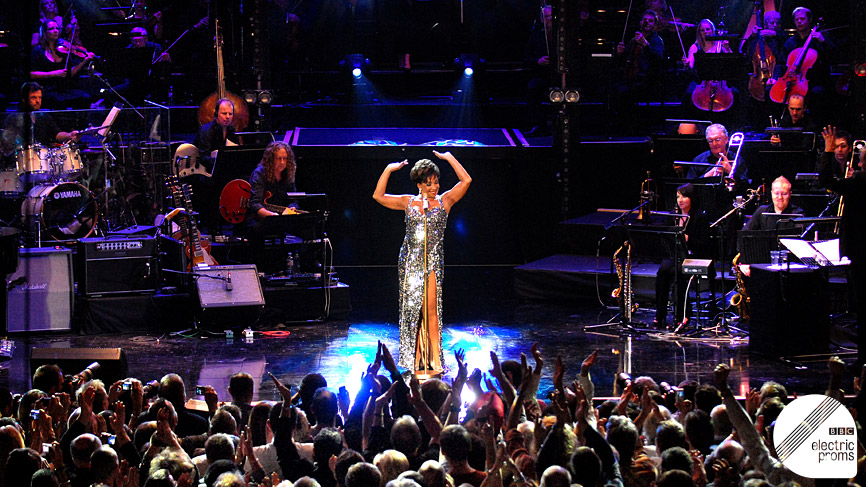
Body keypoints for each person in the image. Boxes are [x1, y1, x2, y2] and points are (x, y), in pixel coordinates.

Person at [373, 151, 471, 371]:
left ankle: (435, 360)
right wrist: (389, 169)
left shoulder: (445, 201)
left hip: (434, 262)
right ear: (418, 184)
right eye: (428, 184)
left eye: (436, 182)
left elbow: (467, 180)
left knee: (432, 310)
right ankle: (412, 359)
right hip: (409, 262)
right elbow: (378, 196)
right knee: (411, 310)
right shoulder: (408, 202)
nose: (433, 187)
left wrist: (449, 158)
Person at [819, 126, 866, 369]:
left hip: (859, 250)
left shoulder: (860, 180)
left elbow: (827, 181)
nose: (857, 163)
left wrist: (827, 150)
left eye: (860, 159)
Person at [654, 183, 713, 329]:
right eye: (678, 196)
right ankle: (660, 314)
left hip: (694, 256)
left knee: (678, 273)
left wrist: (688, 239)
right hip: (675, 255)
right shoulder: (673, 216)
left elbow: (705, 245)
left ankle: (683, 315)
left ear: (692, 198)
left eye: (684, 196)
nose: (680, 200)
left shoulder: (700, 217)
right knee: (662, 272)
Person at [768, 7, 836, 120]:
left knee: (817, 93)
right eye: (796, 19)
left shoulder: (818, 39)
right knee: (770, 92)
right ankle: (780, 124)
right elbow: (781, 63)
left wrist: (823, 41)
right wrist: (775, 78)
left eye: (802, 19)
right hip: (793, 80)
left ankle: (815, 126)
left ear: (809, 20)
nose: (799, 21)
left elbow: (834, 56)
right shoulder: (790, 43)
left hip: (815, 81)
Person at [612, 10, 664, 133]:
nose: (647, 23)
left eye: (650, 21)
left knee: (623, 93)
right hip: (632, 77)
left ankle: (629, 125)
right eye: (645, 20)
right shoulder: (633, 40)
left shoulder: (657, 41)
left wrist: (646, 45)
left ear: (655, 24)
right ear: (640, 22)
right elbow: (624, 60)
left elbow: (658, 61)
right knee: (609, 89)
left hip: (648, 79)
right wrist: (619, 53)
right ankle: (620, 121)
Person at [1, 82, 80, 156]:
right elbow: (8, 141)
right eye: (33, 98)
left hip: (42, 160)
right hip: (21, 159)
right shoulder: (13, 118)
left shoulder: (43, 116)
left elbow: (56, 133)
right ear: (24, 99)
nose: (38, 101)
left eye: (40, 98)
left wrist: (69, 135)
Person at [29, 19, 94, 109]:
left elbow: (70, 73)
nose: (55, 31)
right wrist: (53, 74)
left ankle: (78, 122)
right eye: (51, 28)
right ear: (44, 32)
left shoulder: (64, 50)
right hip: (47, 89)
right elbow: (31, 74)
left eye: (57, 28)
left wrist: (84, 61)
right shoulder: (38, 51)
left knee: (86, 97)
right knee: (58, 101)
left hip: (64, 89)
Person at [524, 5, 554, 136]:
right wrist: (538, 61)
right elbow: (527, 58)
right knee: (533, 87)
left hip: (560, 75)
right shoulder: (536, 35)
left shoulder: (563, 36)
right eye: (547, 17)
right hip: (542, 75)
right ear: (542, 19)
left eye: (552, 17)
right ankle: (538, 124)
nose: (549, 20)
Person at [249, 141, 299, 220]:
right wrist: (271, 215)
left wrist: (292, 207)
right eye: (279, 158)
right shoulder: (259, 174)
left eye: (285, 159)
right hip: (261, 218)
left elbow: (293, 199)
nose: (282, 162)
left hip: (281, 217)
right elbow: (255, 204)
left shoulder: (288, 174)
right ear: (271, 159)